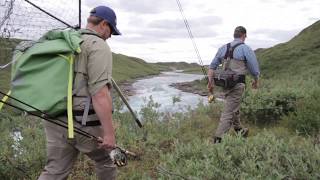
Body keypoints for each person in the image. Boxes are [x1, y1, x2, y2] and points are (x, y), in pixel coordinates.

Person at [38, 6, 121, 180]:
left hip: (54, 117)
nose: (110, 35)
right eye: (111, 30)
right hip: (83, 120)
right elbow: (99, 93)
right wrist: (109, 134)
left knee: (55, 169)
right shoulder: (98, 45)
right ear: (104, 24)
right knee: (107, 160)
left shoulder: (66, 40)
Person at [207, 26, 260, 143]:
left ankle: (240, 130)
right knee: (228, 112)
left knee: (232, 105)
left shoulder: (222, 48)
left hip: (225, 84)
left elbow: (212, 67)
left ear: (234, 35)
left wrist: (210, 83)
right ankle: (218, 141)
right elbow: (254, 70)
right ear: (244, 35)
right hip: (238, 84)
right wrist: (256, 81)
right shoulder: (245, 49)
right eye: (245, 36)